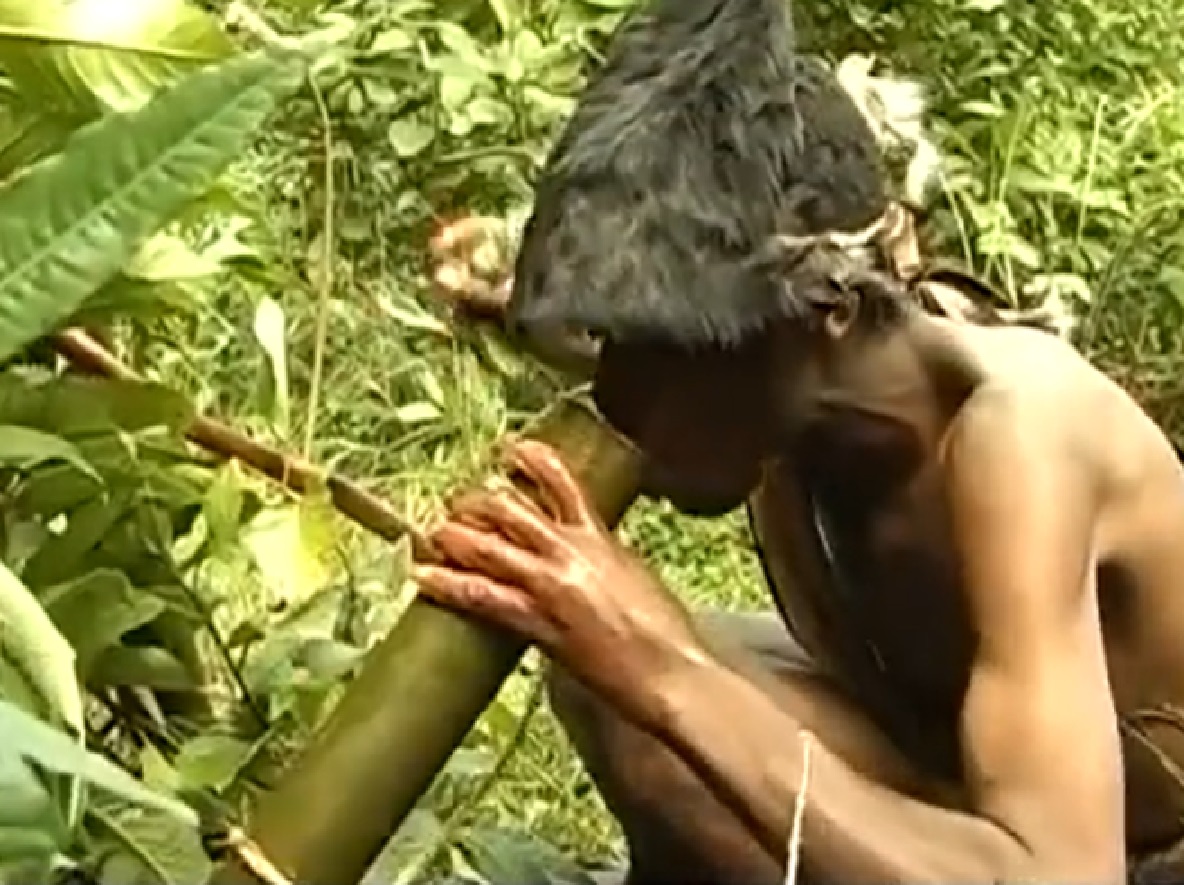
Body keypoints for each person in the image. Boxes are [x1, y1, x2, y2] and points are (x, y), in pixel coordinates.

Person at [412, 2, 1184, 882]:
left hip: (1119, 853)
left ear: (829, 311)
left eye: (666, 344)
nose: (621, 394)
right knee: (614, 696)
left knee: (656, 694)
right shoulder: (798, 382)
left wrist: (663, 668)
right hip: (957, 776)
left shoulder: (1019, 444)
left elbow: (1064, 875)